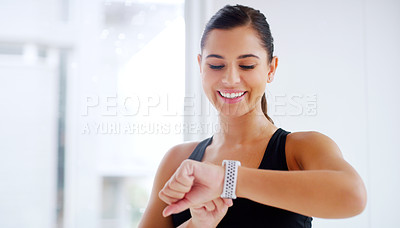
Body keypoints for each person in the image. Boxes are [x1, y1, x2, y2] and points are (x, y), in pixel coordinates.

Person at [138, 4, 367, 228]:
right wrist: (197, 225)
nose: (230, 79)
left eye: (246, 65)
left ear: (271, 69)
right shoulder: (178, 160)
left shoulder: (300, 150)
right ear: (200, 66)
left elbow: (353, 196)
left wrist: (226, 180)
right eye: (216, 65)